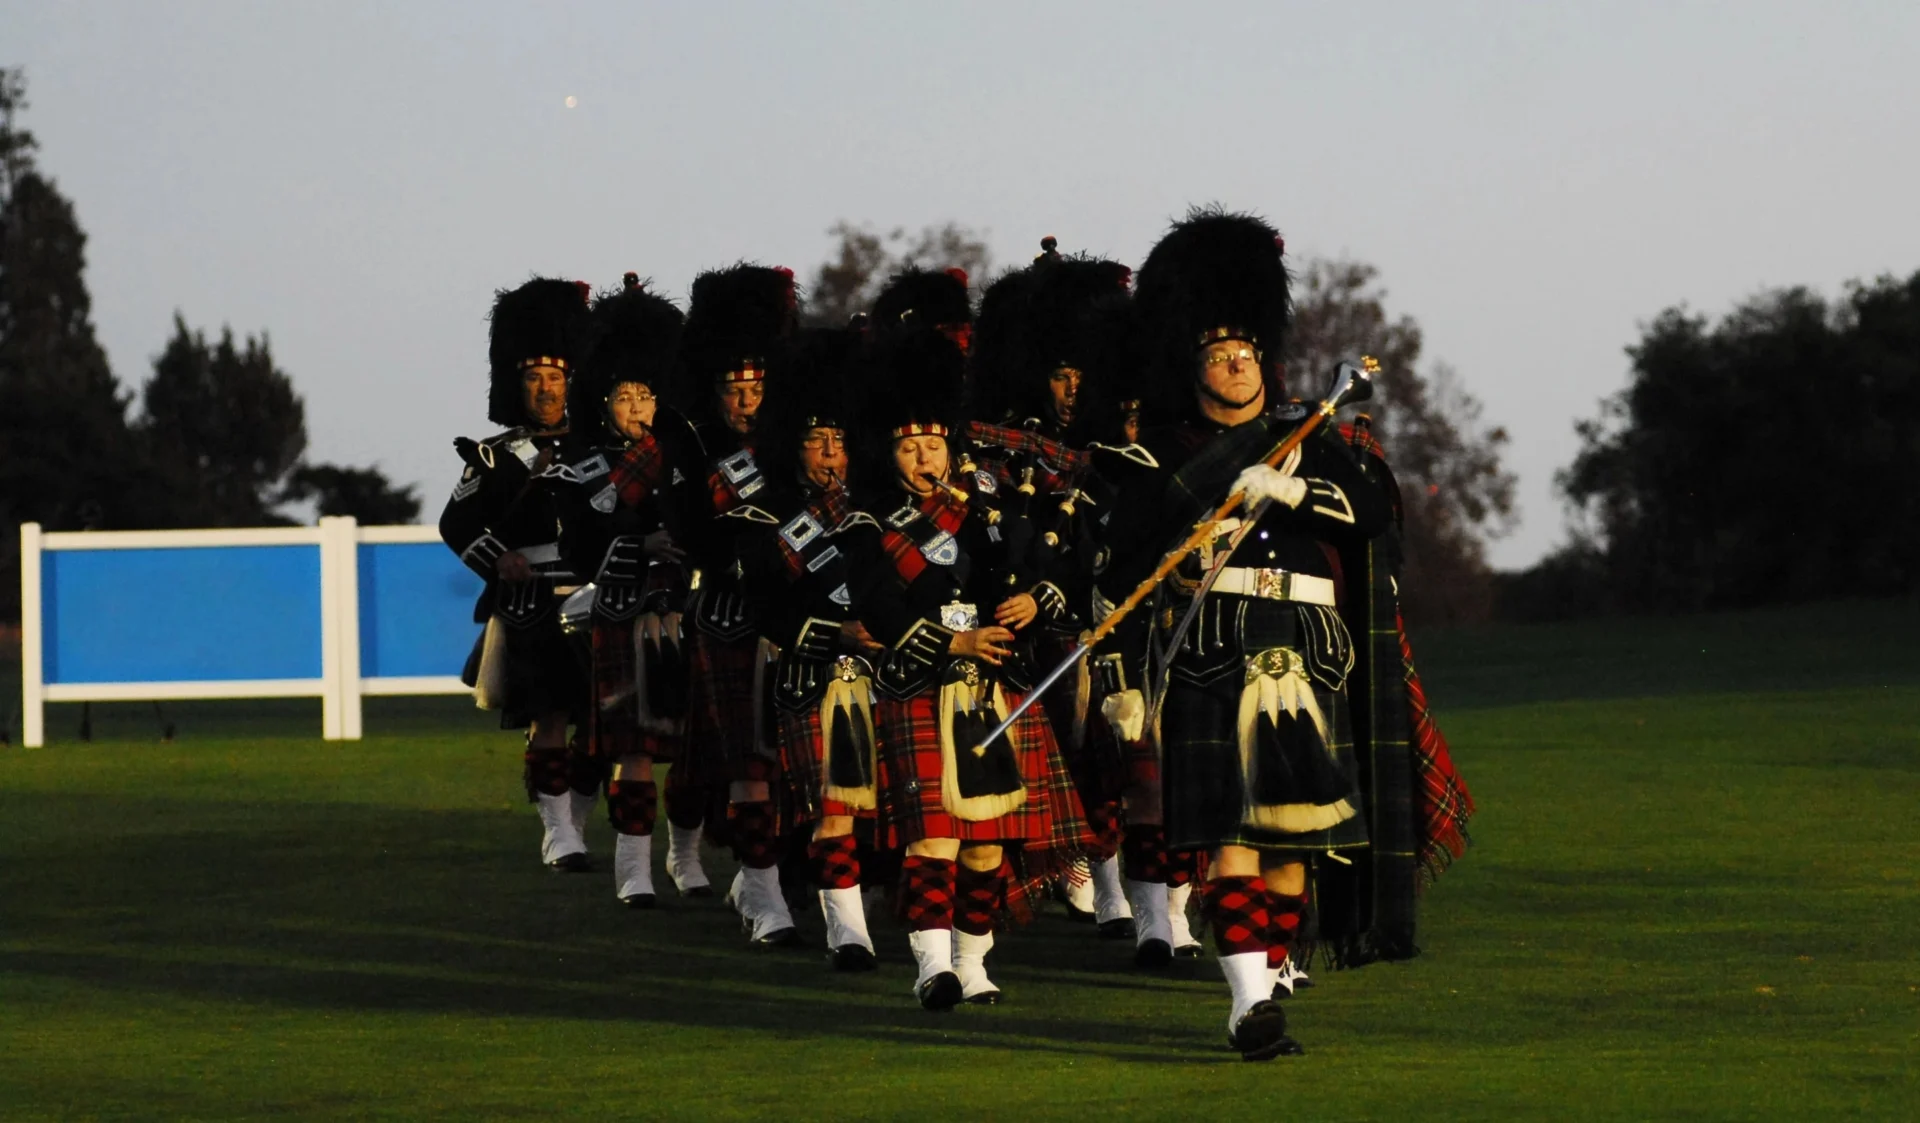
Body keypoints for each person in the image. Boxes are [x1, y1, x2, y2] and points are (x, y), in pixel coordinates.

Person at [1099, 208, 1392, 1059]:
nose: (1236, 364)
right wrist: (1122, 678)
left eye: (1247, 352)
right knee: (1232, 837)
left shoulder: (1309, 437)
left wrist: (1296, 491)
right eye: (1219, 355)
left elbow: (1371, 514)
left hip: (1305, 640)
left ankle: (1263, 979)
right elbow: (1121, 572)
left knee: (1292, 847)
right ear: (1191, 369)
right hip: (1211, 641)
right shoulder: (1160, 456)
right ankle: (1247, 1005)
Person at [848, 326, 1092, 1011]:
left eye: (933, 444)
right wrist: (952, 645)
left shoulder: (992, 510)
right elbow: (877, 606)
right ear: (889, 453)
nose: (924, 455)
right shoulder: (871, 520)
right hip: (921, 683)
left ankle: (973, 960)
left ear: (951, 448)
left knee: (986, 844)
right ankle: (931, 967)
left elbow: (1052, 574)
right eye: (908, 445)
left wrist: (1030, 601)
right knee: (934, 838)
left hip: (996, 686)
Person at [541, 275, 701, 907]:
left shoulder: (686, 458)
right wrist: (642, 546)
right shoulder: (579, 467)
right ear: (603, 400)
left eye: (647, 397)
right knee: (631, 749)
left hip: (688, 612)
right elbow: (579, 548)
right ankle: (632, 870)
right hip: (621, 611)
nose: (638, 409)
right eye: (625, 397)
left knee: (692, 753)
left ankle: (683, 854)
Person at [739, 324, 887, 969]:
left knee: (891, 813)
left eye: (839, 440)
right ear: (791, 446)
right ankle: (846, 933)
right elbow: (764, 607)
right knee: (832, 809)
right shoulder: (764, 514)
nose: (830, 452)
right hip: (811, 673)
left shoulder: (882, 509)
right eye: (816, 441)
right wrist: (835, 634)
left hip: (888, 676)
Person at [440, 277, 597, 871]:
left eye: (556, 378)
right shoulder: (498, 453)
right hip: (531, 603)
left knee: (605, 728)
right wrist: (498, 559)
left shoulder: (596, 448)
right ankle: (557, 831)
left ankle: (573, 819)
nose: (546, 389)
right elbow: (455, 522)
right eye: (534, 378)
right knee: (550, 716)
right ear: (516, 384)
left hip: (597, 596)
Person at [674, 262, 802, 944]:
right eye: (734, 388)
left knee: (795, 763)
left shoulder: (797, 452)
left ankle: (765, 879)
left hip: (798, 620)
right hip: (728, 617)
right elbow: (692, 532)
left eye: (757, 387)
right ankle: (764, 898)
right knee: (749, 763)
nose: (746, 401)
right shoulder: (694, 453)